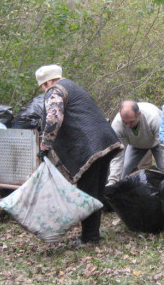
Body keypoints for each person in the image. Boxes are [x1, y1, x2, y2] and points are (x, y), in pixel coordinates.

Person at [35, 64, 122, 245]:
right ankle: (93, 234)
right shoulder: (73, 86)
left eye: (43, 85)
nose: (44, 89)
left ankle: (89, 238)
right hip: (105, 141)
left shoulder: (56, 90)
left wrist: (44, 146)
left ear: (49, 81)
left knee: (87, 193)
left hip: (89, 146)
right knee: (96, 191)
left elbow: (53, 118)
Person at [107, 100, 164, 185]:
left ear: (139, 114)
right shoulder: (117, 125)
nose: (128, 126)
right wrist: (112, 181)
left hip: (157, 143)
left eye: (131, 122)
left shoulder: (153, 117)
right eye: (125, 122)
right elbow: (118, 155)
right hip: (135, 145)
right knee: (125, 170)